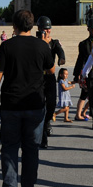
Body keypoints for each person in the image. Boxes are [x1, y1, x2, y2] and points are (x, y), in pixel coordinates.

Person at [0, 10, 55, 187]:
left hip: (11, 105)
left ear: (14, 26)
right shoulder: (42, 46)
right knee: (31, 150)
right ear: (32, 26)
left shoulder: (7, 46)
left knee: (10, 148)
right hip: (35, 105)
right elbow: (51, 70)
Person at [37, 16, 66, 149]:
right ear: (39, 29)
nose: (47, 32)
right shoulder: (35, 43)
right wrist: (42, 42)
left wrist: (61, 58)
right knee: (40, 106)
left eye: (48, 29)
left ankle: (48, 121)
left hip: (49, 77)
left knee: (52, 104)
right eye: (44, 29)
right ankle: (43, 136)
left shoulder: (54, 43)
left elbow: (60, 51)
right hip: (38, 78)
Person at [74, 18, 93, 129]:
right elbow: (80, 59)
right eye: (91, 28)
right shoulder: (83, 44)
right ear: (88, 29)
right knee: (90, 96)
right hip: (90, 73)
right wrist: (77, 74)